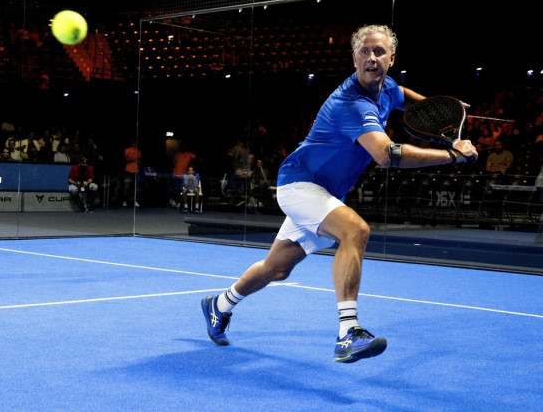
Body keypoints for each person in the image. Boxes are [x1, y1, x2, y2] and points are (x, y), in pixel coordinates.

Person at [200, 25, 478, 363]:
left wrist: (441, 108)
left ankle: (219, 305)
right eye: (364, 52)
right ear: (354, 58)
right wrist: (453, 154)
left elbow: (402, 94)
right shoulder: (351, 103)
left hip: (325, 192)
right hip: (300, 184)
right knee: (356, 230)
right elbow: (385, 155)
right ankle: (349, 332)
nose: (371, 58)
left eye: (379, 52)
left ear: (391, 59)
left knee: (277, 269)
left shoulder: (387, 87)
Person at [122, 138, 141, 207]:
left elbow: (139, 160)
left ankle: (134, 201)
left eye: (135, 143)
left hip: (136, 170)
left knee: (135, 187)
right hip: (129, 170)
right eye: (133, 143)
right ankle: (124, 201)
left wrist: (133, 160)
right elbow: (127, 159)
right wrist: (134, 159)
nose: (134, 144)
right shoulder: (127, 150)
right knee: (126, 186)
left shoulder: (138, 151)